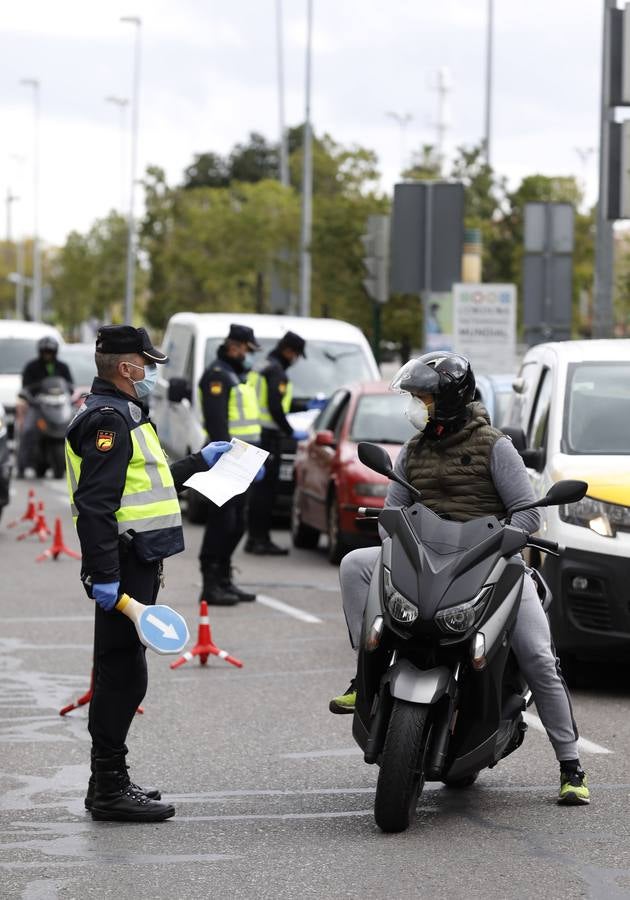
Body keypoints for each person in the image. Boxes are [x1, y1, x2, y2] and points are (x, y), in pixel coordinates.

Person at [328, 351, 590, 807]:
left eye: (423, 397)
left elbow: (527, 511)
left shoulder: (494, 446)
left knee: (538, 657)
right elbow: (392, 513)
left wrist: (513, 535)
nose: (415, 406)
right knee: (355, 564)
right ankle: (362, 677)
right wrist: (390, 528)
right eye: (413, 397)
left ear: (448, 400)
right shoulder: (412, 451)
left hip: (492, 561)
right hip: (426, 562)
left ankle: (570, 765)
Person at [65, 325, 234, 822]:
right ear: (126, 367)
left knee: (124, 673)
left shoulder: (124, 415)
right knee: (121, 676)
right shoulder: (108, 421)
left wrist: (200, 463)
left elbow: (148, 480)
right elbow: (95, 505)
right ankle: (108, 788)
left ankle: (110, 782)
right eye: (147, 363)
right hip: (122, 563)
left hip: (135, 559)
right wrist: (104, 574)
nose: (153, 373)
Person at [198, 323, 264, 605]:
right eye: (248, 350)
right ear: (234, 346)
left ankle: (225, 579)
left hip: (243, 462)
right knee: (222, 523)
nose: (249, 356)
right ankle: (210, 585)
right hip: (226, 462)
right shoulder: (217, 375)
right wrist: (232, 459)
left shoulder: (236, 375)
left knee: (237, 524)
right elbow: (217, 425)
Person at [245, 330, 308, 555]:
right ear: (289, 351)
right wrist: (290, 431)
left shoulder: (262, 365)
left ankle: (254, 538)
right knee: (266, 492)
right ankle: (260, 540)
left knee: (258, 490)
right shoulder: (276, 371)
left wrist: (303, 407)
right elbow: (274, 406)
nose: (296, 360)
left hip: (255, 434)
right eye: (297, 355)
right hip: (268, 438)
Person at [18, 336, 74, 476]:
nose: (47, 354)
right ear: (40, 352)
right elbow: (25, 387)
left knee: (75, 428)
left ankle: (76, 463)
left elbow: (70, 387)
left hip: (59, 405)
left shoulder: (63, 367)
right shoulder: (31, 367)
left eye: (50, 352)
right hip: (38, 405)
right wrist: (31, 395)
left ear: (55, 352)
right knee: (28, 430)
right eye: (45, 351)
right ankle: (22, 466)